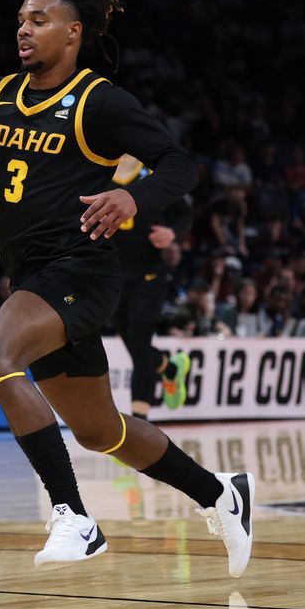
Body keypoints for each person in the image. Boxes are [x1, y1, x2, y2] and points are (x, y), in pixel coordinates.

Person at [0, 0, 253, 577]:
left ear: (74, 32)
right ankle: (221, 493)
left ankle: (74, 517)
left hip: (80, 269)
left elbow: (179, 166)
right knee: (98, 431)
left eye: (39, 20)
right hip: (31, 273)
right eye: (21, 21)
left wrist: (133, 199)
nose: (24, 31)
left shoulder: (100, 101)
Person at [108, 154, 193, 416]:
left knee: (140, 345)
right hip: (112, 276)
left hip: (150, 275)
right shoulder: (96, 172)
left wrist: (172, 234)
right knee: (136, 347)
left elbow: (184, 212)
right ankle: (169, 368)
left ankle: (139, 426)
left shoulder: (154, 175)